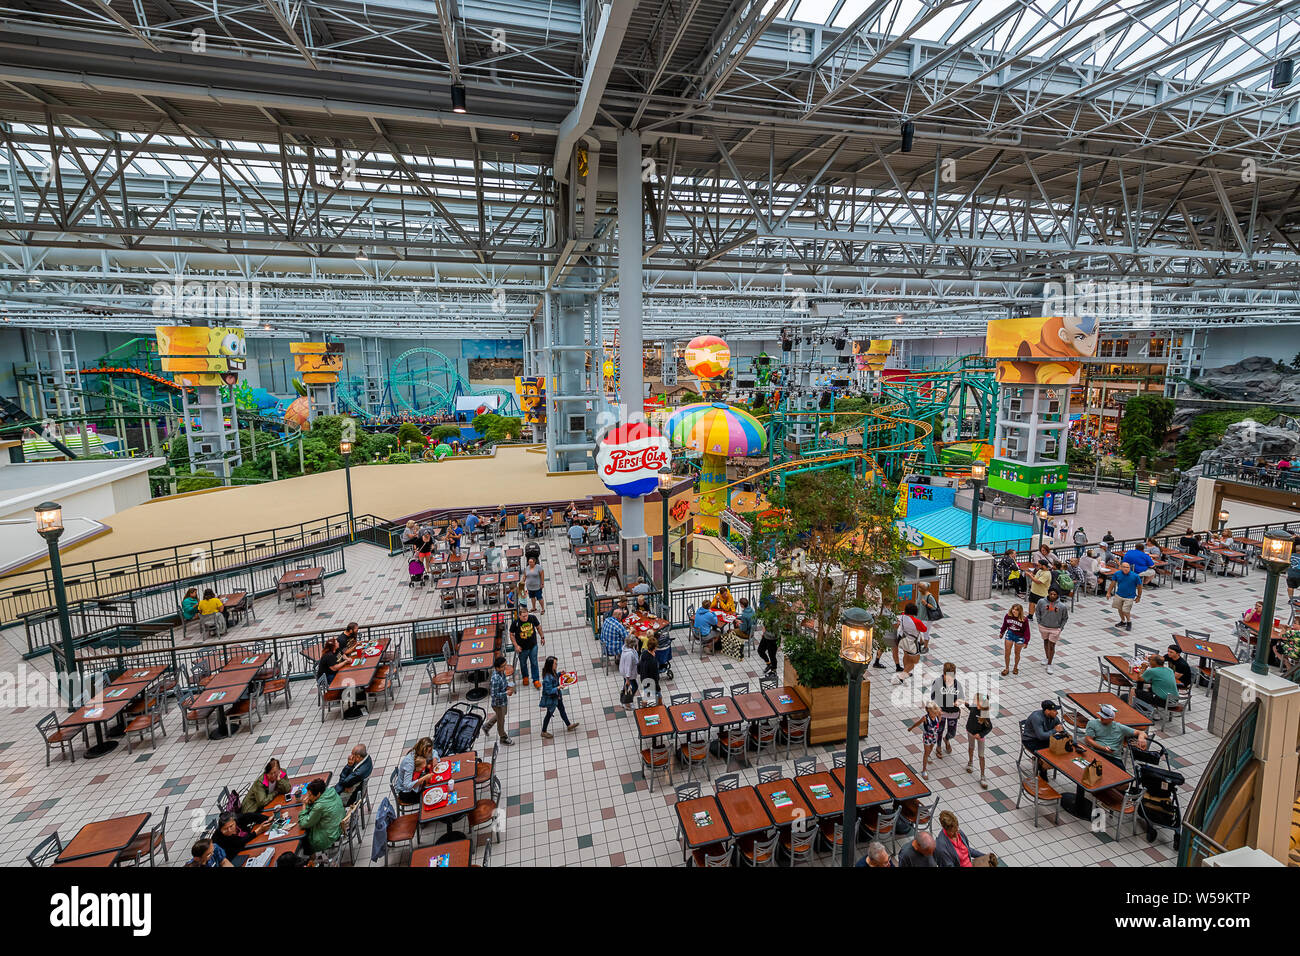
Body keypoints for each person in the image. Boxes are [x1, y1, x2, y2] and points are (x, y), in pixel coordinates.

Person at [1084, 703, 1147, 768]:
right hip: (1096, 752)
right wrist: (1102, 748)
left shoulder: (1120, 727)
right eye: (1101, 716)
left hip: (1113, 757)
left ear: (1112, 719)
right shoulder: (1092, 723)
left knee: (1123, 776)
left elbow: (1141, 732)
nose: (1102, 718)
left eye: (1105, 717)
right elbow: (1088, 739)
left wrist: (1141, 738)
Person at [297, 778, 344, 854]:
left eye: (310, 795)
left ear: (318, 794)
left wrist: (304, 806)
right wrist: (311, 802)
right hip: (337, 828)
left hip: (328, 837)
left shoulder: (319, 806)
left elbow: (304, 823)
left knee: (304, 837)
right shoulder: (332, 791)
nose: (308, 797)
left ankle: (311, 858)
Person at [538, 656, 579, 739]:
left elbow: (555, 676)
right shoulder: (547, 678)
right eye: (555, 664)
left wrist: (560, 673)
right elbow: (548, 691)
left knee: (562, 710)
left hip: (557, 697)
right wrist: (558, 688)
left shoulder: (552, 672)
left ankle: (568, 725)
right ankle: (543, 731)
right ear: (550, 665)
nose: (556, 665)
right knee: (549, 714)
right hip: (552, 700)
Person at [1022, 699, 1064, 779]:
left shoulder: (1053, 717)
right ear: (1047, 711)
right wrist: (1055, 730)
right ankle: (1042, 769)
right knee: (1046, 755)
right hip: (1031, 740)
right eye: (1054, 710)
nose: (1057, 712)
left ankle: (1042, 764)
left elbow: (1060, 727)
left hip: (1044, 739)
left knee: (1058, 750)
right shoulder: (1037, 718)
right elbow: (1041, 736)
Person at [929, 662, 963, 758]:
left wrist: (958, 702)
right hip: (941, 712)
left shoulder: (957, 684)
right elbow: (933, 696)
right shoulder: (937, 682)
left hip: (953, 712)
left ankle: (947, 739)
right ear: (944, 674)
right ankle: (938, 746)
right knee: (939, 730)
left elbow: (961, 697)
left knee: (952, 733)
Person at [1035, 587, 1069, 675]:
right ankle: (1047, 658)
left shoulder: (1062, 606)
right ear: (1048, 593)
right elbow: (1037, 611)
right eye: (1051, 594)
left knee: (1052, 646)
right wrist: (1039, 622)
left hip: (1055, 629)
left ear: (1057, 595)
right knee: (1045, 643)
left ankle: (1050, 664)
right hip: (1043, 626)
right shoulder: (1041, 602)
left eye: (1054, 594)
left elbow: (1065, 618)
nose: (1052, 596)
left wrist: (1060, 628)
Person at [483, 656, 516, 745]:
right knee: (501, 722)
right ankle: (503, 738)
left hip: (503, 701)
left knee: (501, 715)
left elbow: (504, 684)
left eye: (505, 665)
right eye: (502, 666)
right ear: (497, 668)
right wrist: (506, 693)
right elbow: (494, 695)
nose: (504, 668)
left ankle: (486, 726)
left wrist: (508, 687)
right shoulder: (495, 679)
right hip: (498, 704)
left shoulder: (501, 673)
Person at [509, 606, 543, 689]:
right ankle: (525, 677)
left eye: (526, 615)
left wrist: (542, 637)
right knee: (523, 664)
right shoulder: (516, 623)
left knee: (534, 663)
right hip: (522, 648)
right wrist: (516, 645)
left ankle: (536, 679)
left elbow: (538, 627)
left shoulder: (532, 618)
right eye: (523, 616)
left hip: (533, 646)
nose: (525, 618)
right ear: (519, 616)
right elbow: (511, 634)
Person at [395, 737, 436, 805]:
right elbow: (407, 785)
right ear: (423, 751)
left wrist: (434, 757)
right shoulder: (409, 763)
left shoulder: (417, 751)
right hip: (406, 793)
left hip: (416, 783)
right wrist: (424, 778)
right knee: (431, 795)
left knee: (433, 786)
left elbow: (434, 752)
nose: (429, 754)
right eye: (428, 752)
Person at [907, 701, 943, 780]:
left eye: (936, 712)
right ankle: (924, 770)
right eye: (934, 713)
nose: (936, 714)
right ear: (929, 712)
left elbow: (939, 721)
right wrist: (911, 728)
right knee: (926, 753)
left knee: (930, 749)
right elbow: (918, 723)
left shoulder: (938, 715)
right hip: (927, 737)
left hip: (934, 736)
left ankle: (928, 756)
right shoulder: (925, 718)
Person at [965, 693, 993, 789]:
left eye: (975, 701)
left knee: (981, 755)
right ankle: (970, 762)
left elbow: (989, 728)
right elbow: (970, 708)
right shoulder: (974, 707)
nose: (973, 702)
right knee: (971, 747)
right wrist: (964, 703)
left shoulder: (985, 714)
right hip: (970, 732)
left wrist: (980, 734)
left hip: (980, 736)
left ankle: (982, 775)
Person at [895, 603, 928, 683]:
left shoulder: (902, 616)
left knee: (906, 655)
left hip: (902, 640)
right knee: (914, 661)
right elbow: (924, 629)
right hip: (912, 643)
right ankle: (902, 676)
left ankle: (906, 672)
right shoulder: (917, 622)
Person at [1108, 560, 1143, 631]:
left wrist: (1138, 596)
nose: (1126, 569)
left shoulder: (1135, 576)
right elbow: (1112, 583)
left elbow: (1140, 586)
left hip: (1129, 597)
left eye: (1128, 567)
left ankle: (1129, 622)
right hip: (1119, 595)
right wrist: (1108, 592)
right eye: (1124, 567)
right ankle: (1123, 621)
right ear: (1120, 567)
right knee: (1119, 608)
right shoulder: (1117, 574)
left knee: (1126, 610)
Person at [999, 603, 1031, 676]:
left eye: (1016, 610)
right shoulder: (1008, 616)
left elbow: (1027, 631)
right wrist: (1002, 632)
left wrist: (1026, 641)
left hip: (1020, 637)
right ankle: (1006, 668)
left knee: (1017, 653)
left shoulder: (1024, 620)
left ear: (1020, 611)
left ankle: (1015, 667)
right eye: (1013, 609)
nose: (1014, 611)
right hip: (1010, 634)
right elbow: (1005, 625)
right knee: (1007, 652)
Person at [638, 635, 662, 704]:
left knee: (646, 695)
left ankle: (644, 707)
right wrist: (657, 686)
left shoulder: (644, 653)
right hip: (651, 682)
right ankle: (660, 706)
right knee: (659, 694)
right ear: (655, 648)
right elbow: (655, 676)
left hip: (644, 678)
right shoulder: (653, 661)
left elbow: (639, 665)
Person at [619, 636, 640, 711]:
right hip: (628, 674)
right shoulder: (629, 654)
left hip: (626, 672)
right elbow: (628, 667)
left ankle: (623, 700)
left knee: (626, 687)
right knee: (634, 686)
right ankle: (627, 703)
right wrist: (627, 679)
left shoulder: (627, 648)